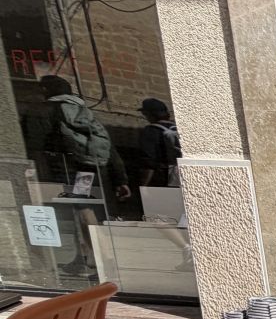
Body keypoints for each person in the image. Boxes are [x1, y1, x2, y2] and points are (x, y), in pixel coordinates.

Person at [39, 74, 129, 276]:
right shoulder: (84, 110)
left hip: (75, 170)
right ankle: (81, 258)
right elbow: (107, 144)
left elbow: (48, 142)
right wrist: (120, 178)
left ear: (47, 90)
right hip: (94, 168)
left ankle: (103, 259)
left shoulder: (52, 109)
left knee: (83, 210)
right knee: (82, 209)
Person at [136, 97, 182, 188]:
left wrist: (144, 186)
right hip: (183, 176)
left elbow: (149, 162)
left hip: (162, 179)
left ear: (149, 114)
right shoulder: (179, 129)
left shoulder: (150, 131)